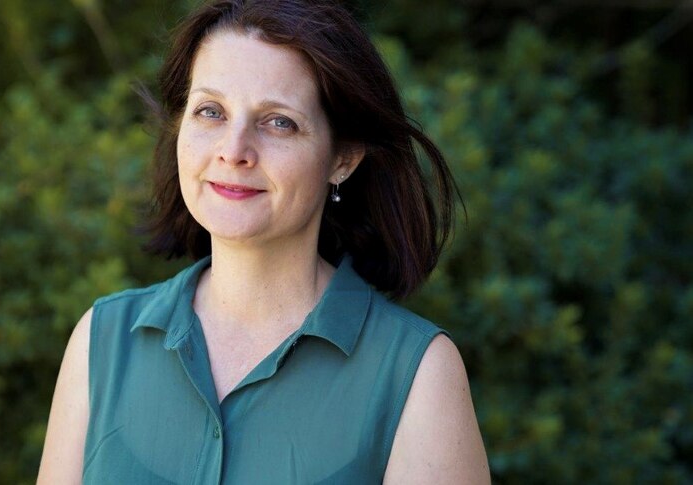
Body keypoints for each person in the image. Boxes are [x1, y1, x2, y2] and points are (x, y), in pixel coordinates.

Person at [38, 0, 490, 483]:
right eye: (210, 111)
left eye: (279, 122)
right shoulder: (102, 339)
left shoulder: (417, 373)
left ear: (343, 158)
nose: (234, 151)